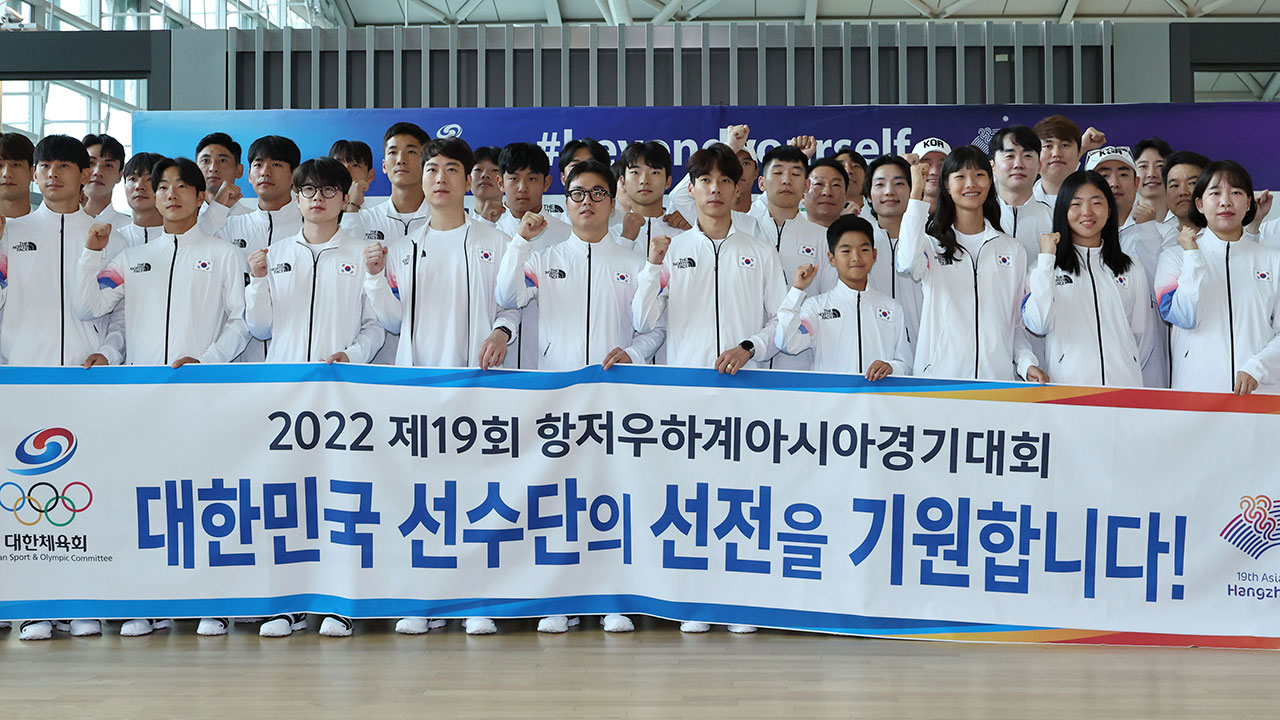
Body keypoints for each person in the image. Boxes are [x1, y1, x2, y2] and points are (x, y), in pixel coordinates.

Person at [362, 137, 518, 636]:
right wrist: (372, 278)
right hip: (420, 390)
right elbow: (389, 319)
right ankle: (423, 599)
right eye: (432, 169)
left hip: (479, 389)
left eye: (452, 169)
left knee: (480, 492)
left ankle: (478, 600)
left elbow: (512, 302)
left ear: (469, 179)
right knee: (425, 497)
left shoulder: (495, 242)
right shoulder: (401, 249)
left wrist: (501, 331)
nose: (440, 178)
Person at [244, 158, 383, 640]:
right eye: (308, 190)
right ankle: (287, 604)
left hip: (341, 397)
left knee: (341, 500)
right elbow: (259, 329)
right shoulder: (275, 253)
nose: (317, 198)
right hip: (284, 397)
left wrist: (353, 355)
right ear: (297, 198)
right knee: (286, 501)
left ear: (346, 199)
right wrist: (258, 282)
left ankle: (340, 602)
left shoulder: (364, 253)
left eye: (328, 190)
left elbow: (376, 326)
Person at [1, 135, 126, 642]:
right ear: (35, 176)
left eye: (64, 166)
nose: (53, 174)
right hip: (22, 383)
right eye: (44, 166)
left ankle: (83, 603)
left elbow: (120, 315)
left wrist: (110, 354)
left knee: (87, 495)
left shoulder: (110, 238)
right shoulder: (10, 233)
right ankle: (32, 605)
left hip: (84, 383)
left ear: (85, 174)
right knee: (26, 503)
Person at [633, 143, 786, 377]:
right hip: (687, 384)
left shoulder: (762, 252)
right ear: (691, 189)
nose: (715, 189)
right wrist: (652, 268)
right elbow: (643, 323)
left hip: (746, 384)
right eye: (705, 180)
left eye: (724, 180)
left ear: (737, 189)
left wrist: (749, 348)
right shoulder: (672, 252)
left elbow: (781, 320)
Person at [896, 146, 1046, 383]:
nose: (970, 184)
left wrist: (1027, 363)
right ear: (947, 185)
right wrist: (917, 192)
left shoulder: (1012, 249)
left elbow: (1014, 323)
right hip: (939, 381)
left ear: (990, 181)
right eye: (960, 177)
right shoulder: (930, 244)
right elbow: (905, 263)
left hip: (995, 383)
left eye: (979, 175)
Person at [1156, 161, 1280, 395]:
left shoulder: (1272, 261)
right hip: (1197, 392)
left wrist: (1257, 368)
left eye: (1236, 192)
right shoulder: (1174, 258)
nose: (1225, 201)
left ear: (1247, 204)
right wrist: (1192, 256)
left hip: (1261, 393)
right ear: (1200, 204)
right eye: (1215, 193)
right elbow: (1184, 316)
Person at [1021, 170, 1151, 387]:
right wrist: (1047, 261)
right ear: (1063, 211)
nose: (1087, 212)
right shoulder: (1043, 268)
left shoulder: (1131, 268)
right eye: (1076, 204)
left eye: (1097, 203)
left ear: (1109, 210)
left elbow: (1142, 337)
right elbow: (1038, 324)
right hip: (1069, 390)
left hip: (1124, 388)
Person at [774, 214, 913, 376]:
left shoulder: (892, 308)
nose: (856, 257)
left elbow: (906, 365)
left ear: (874, 255)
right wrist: (796, 291)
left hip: (877, 400)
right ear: (831, 258)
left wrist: (891, 367)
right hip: (832, 399)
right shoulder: (817, 307)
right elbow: (785, 342)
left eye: (864, 250)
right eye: (846, 251)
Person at [1085, 146, 1168, 387]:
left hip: (1149, 359)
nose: (1114, 183)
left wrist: (1147, 230)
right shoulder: (1077, 237)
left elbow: (1159, 292)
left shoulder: (1164, 232)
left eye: (1122, 174)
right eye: (1103, 175)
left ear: (1137, 181)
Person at [749, 145, 834, 369]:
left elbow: (827, 302)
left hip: (800, 361)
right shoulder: (741, 229)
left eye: (796, 174)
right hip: (744, 357)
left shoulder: (822, 238)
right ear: (761, 183)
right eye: (777, 173)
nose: (786, 180)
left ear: (806, 185)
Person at [496, 142, 573, 369]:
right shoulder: (488, 235)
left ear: (546, 183)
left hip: (555, 360)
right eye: (513, 178)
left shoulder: (567, 235)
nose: (522, 187)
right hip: (499, 361)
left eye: (531, 179)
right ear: (500, 182)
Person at [862, 155, 924, 343]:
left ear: (913, 191)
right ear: (868, 197)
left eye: (899, 183)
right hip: (872, 351)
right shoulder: (859, 244)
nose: (889, 191)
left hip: (923, 351)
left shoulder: (930, 242)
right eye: (880, 185)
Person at [989, 126, 1054, 260]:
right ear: (993, 166)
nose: (1018, 164)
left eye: (1027, 156)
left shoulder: (1054, 219)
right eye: (1009, 156)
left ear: (1039, 166)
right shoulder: (981, 218)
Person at [1032, 115, 1106, 211]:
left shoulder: (1096, 201)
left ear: (1078, 152)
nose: (1056, 154)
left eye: (1065, 145)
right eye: (1048, 146)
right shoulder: (1021, 201)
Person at [1159, 150, 1210, 247]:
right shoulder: (1162, 238)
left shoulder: (1227, 237)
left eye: (1192, 183)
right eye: (1174, 185)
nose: (1183, 192)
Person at [81, 133, 131, 230]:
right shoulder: (60, 225)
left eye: (108, 165)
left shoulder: (128, 229)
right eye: (91, 163)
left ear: (120, 176)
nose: (98, 172)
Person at [195, 132, 250, 216]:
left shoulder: (253, 220)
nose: (213, 168)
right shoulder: (182, 220)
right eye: (205, 161)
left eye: (222, 160)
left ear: (239, 170)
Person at [119, 152, 166, 248]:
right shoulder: (113, 240)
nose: (139, 186)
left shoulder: (180, 239)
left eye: (150, 179)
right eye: (132, 179)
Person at [1134, 137, 1172, 227]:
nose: (1151, 174)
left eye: (1160, 166)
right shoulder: (1120, 218)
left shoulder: (1184, 219)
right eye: (1143, 166)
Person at [328, 138, 376, 209]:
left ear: (370, 176)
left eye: (355, 165)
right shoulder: (315, 208)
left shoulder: (376, 216)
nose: (345, 170)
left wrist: (352, 206)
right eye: (339, 164)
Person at [803, 158, 849, 229]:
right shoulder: (786, 233)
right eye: (818, 184)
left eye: (836, 185)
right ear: (803, 195)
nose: (827, 192)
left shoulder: (857, 237)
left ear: (845, 195)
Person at [909, 137, 950, 213]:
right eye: (927, 164)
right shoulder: (898, 213)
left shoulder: (962, 216)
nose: (934, 171)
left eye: (942, 165)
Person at [469, 145, 504, 225]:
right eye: (478, 169)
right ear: (468, 179)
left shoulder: (522, 224)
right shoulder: (460, 225)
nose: (485, 175)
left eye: (495, 170)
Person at [831, 146, 868, 215]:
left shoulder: (880, 215)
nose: (848, 171)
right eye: (841, 166)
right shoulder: (818, 217)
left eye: (855, 166)